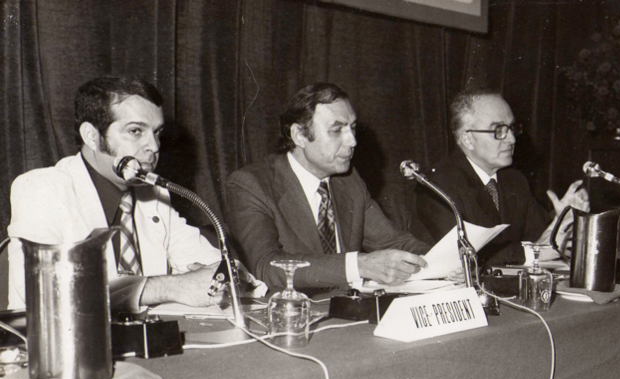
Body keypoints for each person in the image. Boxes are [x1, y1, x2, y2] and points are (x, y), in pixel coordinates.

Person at [7, 76, 252, 312]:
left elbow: (212, 264)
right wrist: (171, 287)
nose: (154, 147)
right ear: (92, 136)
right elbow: (43, 290)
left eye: (157, 133)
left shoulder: (153, 195)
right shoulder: (41, 188)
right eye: (136, 131)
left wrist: (226, 274)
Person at [225, 82, 431, 291]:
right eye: (336, 130)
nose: (352, 142)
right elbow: (265, 267)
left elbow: (394, 243)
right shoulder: (251, 184)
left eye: (352, 128)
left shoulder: (349, 181)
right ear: (300, 135)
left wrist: (446, 260)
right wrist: (359, 265)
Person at [416, 88, 589, 266]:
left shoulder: (514, 181)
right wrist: (538, 252)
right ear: (468, 139)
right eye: (498, 130)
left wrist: (562, 221)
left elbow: (542, 240)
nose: (512, 139)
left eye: (511, 128)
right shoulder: (437, 185)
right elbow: (464, 253)